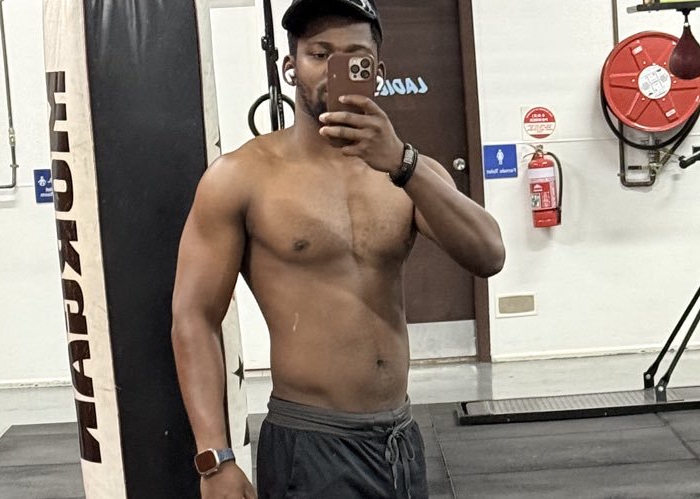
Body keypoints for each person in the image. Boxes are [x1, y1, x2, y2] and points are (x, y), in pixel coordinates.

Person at [169, 0, 505, 497]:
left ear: (378, 72)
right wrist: (215, 459)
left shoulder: (410, 171)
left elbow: (489, 255)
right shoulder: (241, 177)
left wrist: (404, 164)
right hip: (310, 442)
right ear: (291, 66)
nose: (334, 68)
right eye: (319, 53)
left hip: (399, 439)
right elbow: (193, 317)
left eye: (354, 57)